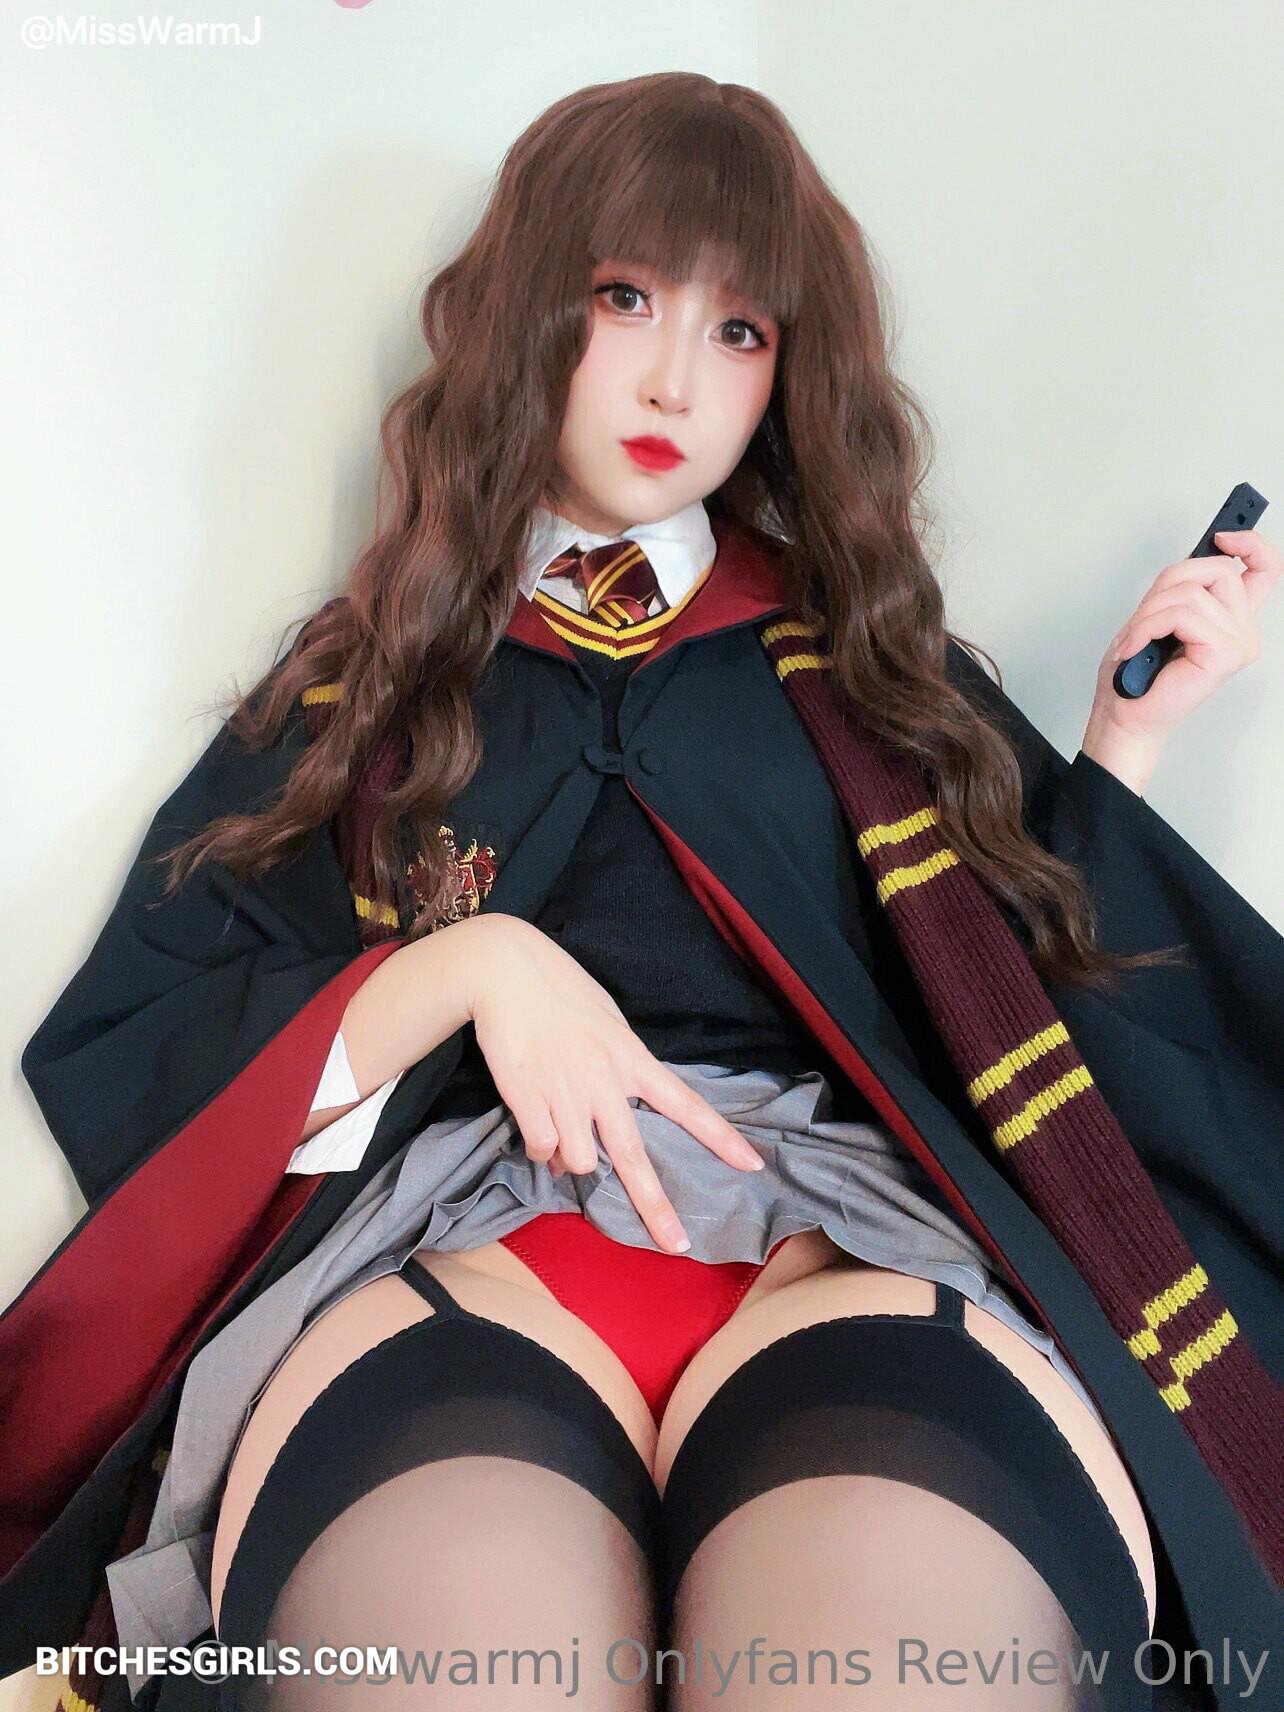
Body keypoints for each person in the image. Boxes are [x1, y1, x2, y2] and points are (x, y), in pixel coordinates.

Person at [4, 71, 1282, 1712]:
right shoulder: (363, 690)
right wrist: (467, 969)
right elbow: (145, 1047)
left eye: (739, 330)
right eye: (625, 299)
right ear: (531, 307)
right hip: (465, 1252)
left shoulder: (868, 672)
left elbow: (1018, 998)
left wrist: (1123, 747)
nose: (678, 376)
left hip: (849, 1250)